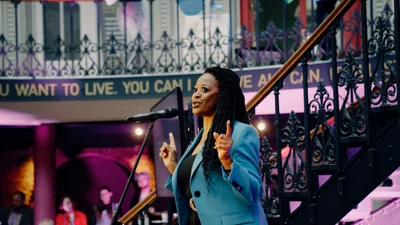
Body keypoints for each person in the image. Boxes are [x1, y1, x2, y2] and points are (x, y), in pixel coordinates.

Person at [159, 67, 268, 225]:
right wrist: (173, 166)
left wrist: (228, 163)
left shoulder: (242, 133)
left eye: (205, 89)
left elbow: (254, 193)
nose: (196, 94)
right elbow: (201, 188)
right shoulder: (199, 138)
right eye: (195, 89)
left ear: (222, 95)